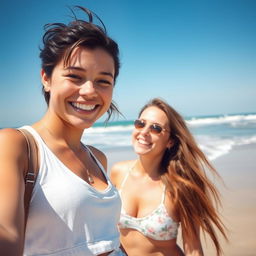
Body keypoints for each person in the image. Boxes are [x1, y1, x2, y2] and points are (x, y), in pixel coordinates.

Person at [0, 6, 125, 256]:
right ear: (46, 78)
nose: (90, 91)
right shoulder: (16, 145)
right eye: (75, 76)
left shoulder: (97, 157)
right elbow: (7, 237)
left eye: (103, 81)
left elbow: (106, 237)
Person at [111, 98, 228, 256]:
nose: (144, 132)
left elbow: (192, 248)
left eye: (155, 128)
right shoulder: (118, 172)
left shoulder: (181, 187)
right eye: (140, 123)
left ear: (170, 141)